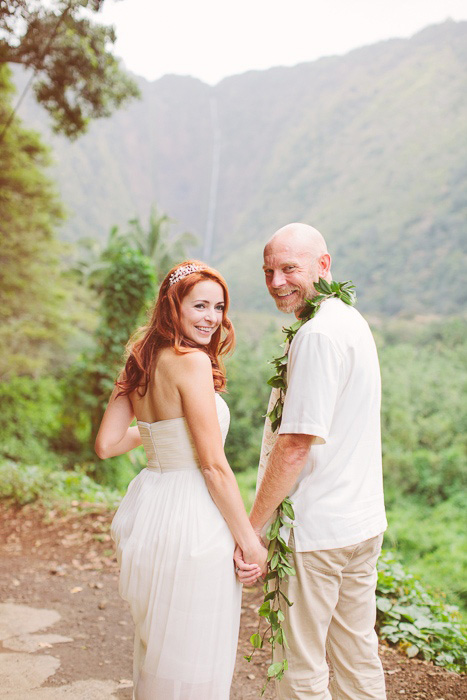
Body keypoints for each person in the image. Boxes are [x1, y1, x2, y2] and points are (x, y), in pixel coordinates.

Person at [95, 260, 267, 700]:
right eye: (200, 305)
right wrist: (250, 541)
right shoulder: (190, 362)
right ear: (174, 306)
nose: (212, 317)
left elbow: (108, 443)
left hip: (151, 507)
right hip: (192, 514)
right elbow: (213, 466)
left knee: (160, 648)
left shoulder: (140, 359)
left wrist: (162, 436)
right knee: (195, 650)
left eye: (219, 307)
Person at [236, 224, 387, 699]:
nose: (277, 281)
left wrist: (252, 530)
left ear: (323, 266)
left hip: (317, 534)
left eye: (289, 269)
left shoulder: (318, 335)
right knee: (357, 656)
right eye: (268, 271)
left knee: (299, 669)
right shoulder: (349, 321)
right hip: (360, 525)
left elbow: (296, 443)